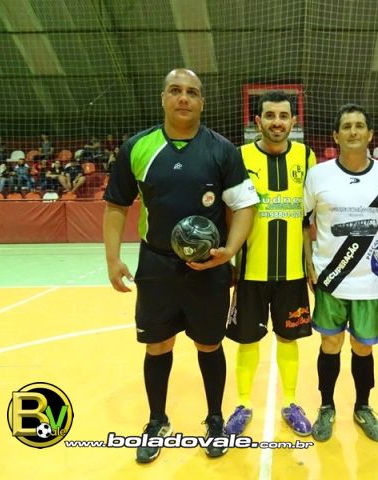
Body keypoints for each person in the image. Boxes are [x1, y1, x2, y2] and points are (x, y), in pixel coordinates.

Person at [102, 68, 258, 462]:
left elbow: (244, 205)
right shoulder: (138, 147)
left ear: (202, 101)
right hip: (156, 265)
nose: (183, 97)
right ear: (163, 98)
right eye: (175, 90)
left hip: (209, 267)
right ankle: (157, 420)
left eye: (192, 92)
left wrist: (229, 250)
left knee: (209, 343)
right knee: (158, 345)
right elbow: (116, 205)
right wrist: (113, 258)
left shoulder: (222, 150)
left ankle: (215, 419)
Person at [303, 103, 378, 443]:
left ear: (370, 133)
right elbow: (304, 222)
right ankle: (326, 406)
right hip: (331, 278)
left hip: (371, 281)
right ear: (336, 135)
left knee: (363, 348)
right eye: (346, 126)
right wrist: (308, 265)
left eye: (360, 125)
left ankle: (363, 407)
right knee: (330, 344)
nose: (353, 131)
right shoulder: (318, 175)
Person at [225, 91, 316, 437]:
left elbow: (307, 219)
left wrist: (310, 262)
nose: (277, 122)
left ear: (293, 121)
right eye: (270, 115)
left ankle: (290, 403)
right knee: (247, 340)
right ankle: (242, 405)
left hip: (292, 273)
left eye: (283, 115)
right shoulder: (239, 156)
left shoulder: (306, 156)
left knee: (289, 339)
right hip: (250, 271)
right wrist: (230, 256)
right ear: (257, 121)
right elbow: (229, 211)